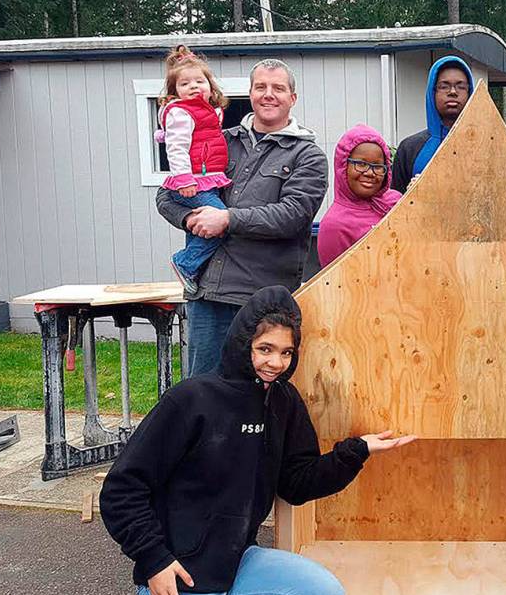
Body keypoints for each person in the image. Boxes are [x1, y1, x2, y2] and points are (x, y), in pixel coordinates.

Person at [100, 285, 416, 595]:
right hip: (177, 573)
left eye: (286, 352)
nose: (275, 363)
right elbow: (121, 490)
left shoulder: (283, 401)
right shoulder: (191, 400)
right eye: (265, 349)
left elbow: (297, 484)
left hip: (236, 560)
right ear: (243, 344)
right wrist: (154, 560)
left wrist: (357, 451)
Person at [156, 59, 327, 376]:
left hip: (264, 300)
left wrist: (227, 219)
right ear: (250, 94)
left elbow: (293, 215)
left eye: (278, 88)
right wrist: (190, 217)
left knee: (257, 396)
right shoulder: (222, 140)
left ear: (293, 97)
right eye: (260, 87)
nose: (268, 95)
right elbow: (166, 195)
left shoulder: (307, 155)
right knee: (203, 393)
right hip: (208, 292)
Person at [155, 46, 231, 294]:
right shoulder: (180, 113)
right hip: (193, 183)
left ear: (211, 86)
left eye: (200, 81)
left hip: (207, 179)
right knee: (220, 221)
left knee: (202, 227)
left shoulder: (210, 112)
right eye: (185, 83)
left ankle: (195, 274)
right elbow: (176, 148)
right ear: (175, 90)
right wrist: (185, 180)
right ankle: (185, 263)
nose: (194, 86)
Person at [317, 124, 402, 268]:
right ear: (343, 166)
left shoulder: (396, 202)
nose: (370, 173)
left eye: (378, 166)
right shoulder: (335, 225)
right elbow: (336, 283)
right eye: (361, 164)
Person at [390, 56, 474, 193]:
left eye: (461, 86)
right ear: (432, 92)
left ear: (470, 92)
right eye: (444, 86)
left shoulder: (485, 144)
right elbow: (394, 203)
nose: (453, 92)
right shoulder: (409, 148)